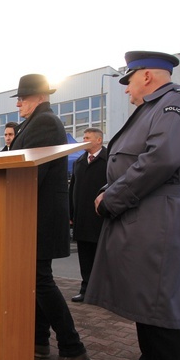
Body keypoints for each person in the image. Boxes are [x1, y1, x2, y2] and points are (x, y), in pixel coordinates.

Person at [87, 51, 180, 360]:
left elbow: (160, 160)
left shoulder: (175, 106)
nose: (127, 90)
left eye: (130, 81)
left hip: (159, 214)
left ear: (148, 77)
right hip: (147, 211)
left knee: (161, 305)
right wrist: (110, 189)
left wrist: (113, 198)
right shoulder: (156, 106)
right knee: (146, 301)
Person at [8, 73, 90, 360]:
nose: (19, 102)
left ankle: (72, 349)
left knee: (39, 279)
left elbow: (32, 172)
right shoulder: (36, 121)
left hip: (38, 213)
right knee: (37, 278)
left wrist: (10, 199)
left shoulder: (44, 122)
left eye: (23, 97)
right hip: (36, 212)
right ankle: (39, 341)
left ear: (40, 97)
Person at [68, 127, 107, 303]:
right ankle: (86, 289)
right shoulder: (79, 162)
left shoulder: (109, 160)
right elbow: (72, 189)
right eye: (83, 137)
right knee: (85, 256)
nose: (84, 140)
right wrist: (70, 212)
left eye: (87, 138)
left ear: (99, 140)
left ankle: (104, 292)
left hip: (102, 218)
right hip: (82, 218)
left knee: (103, 257)